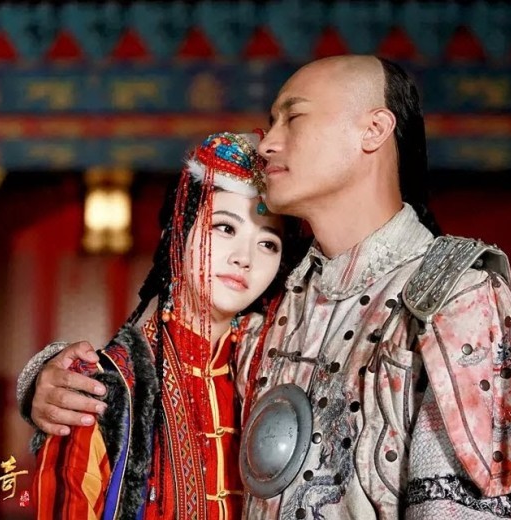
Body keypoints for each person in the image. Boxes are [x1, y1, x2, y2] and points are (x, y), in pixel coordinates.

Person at [19, 56, 511, 519]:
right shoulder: (281, 302)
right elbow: (177, 346)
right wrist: (51, 378)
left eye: (292, 118)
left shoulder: (455, 299)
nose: (269, 142)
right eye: (271, 121)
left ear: (373, 130)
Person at [26, 131, 307, 519]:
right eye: (225, 228)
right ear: (177, 233)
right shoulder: (104, 388)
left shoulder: (281, 371)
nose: (245, 257)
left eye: (268, 243)